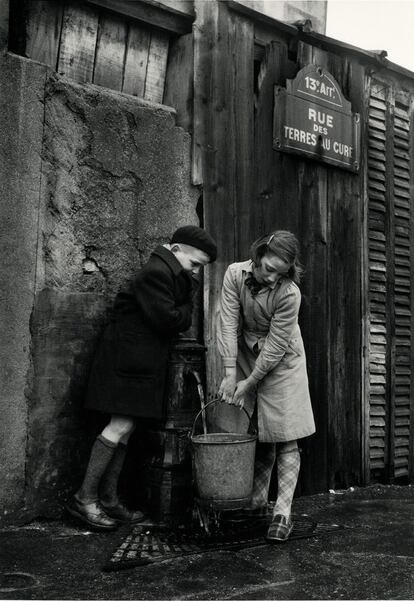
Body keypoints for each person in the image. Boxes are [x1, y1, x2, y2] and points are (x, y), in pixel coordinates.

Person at [66, 225, 217, 530]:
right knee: (119, 425)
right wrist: (186, 305)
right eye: (194, 264)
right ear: (175, 250)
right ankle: (84, 499)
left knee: (127, 427)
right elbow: (169, 320)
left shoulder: (168, 273)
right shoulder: (157, 273)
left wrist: (183, 300)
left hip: (137, 361)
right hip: (127, 361)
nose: (196, 273)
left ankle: (108, 500)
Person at [217, 230, 315, 542]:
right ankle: (258, 503)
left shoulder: (290, 294)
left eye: (281, 273)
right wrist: (230, 372)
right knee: (259, 431)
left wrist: (249, 382)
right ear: (258, 257)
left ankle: (282, 513)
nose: (273, 279)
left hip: (283, 360)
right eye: (269, 270)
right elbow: (228, 322)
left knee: (284, 433)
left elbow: (274, 347)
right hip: (247, 354)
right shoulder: (234, 274)